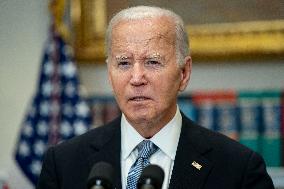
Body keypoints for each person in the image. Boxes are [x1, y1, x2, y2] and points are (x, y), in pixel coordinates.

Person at [37, 6, 274, 189]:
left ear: (184, 73)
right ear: (110, 74)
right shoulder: (63, 164)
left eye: (152, 62)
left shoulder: (238, 168)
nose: (137, 77)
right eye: (123, 63)